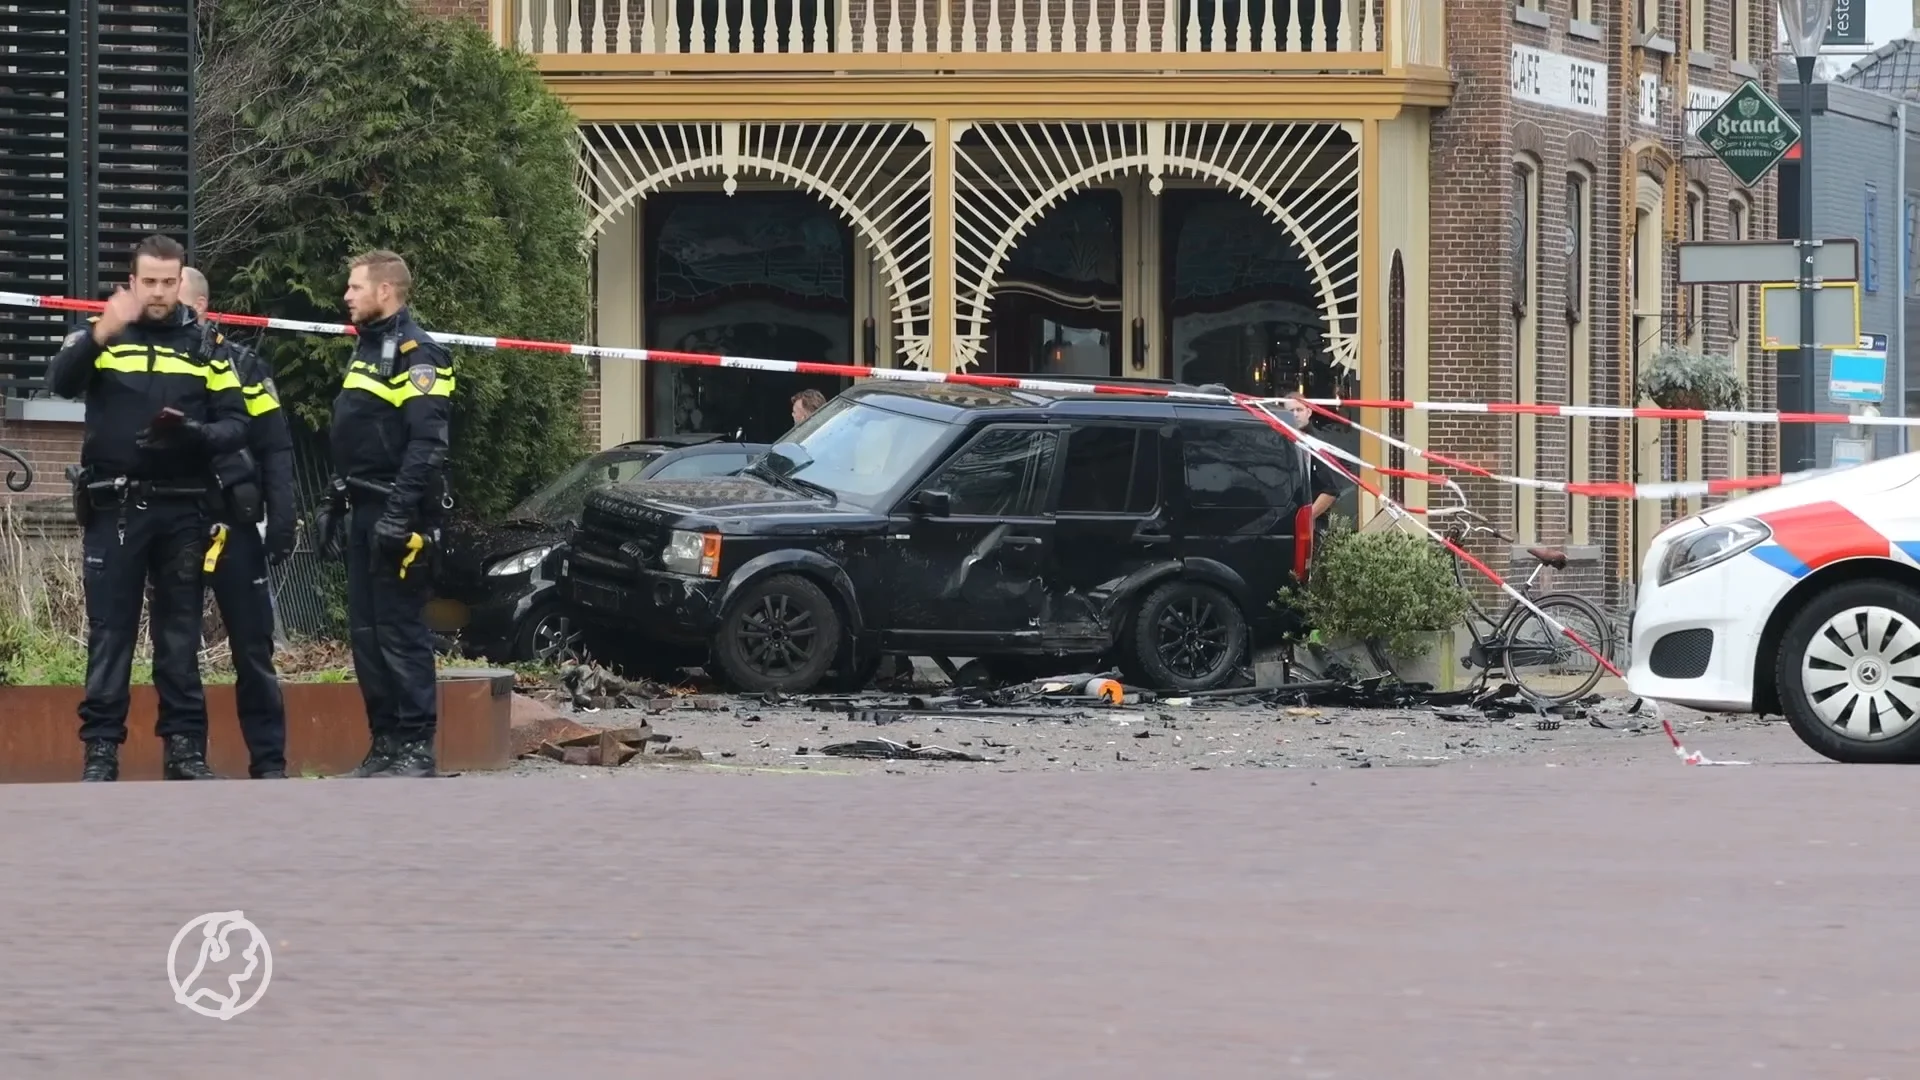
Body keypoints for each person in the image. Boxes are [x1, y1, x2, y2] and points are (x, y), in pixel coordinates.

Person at [48, 235, 252, 782]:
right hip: (115, 507)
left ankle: (185, 752)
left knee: (181, 636)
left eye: (169, 282)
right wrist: (99, 333)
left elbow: (238, 424)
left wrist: (194, 434)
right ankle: (101, 754)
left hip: (183, 509)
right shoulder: (107, 333)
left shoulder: (207, 343)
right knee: (110, 634)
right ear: (132, 282)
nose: (160, 293)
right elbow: (59, 383)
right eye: (150, 282)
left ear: (180, 280)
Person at [313, 250, 455, 778]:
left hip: (402, 514)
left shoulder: (420, 356)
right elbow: (355, 438)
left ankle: (416, 746)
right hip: (363, 506)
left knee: (399, 631)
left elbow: (426, 447)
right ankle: (386, 743)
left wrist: (399, 516)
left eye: (355, 287)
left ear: (385, 291)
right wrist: (333, 498)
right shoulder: (368, 349)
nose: (346, 296)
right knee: (367, 633)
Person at [180, 267, 297, 779]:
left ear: (203, 305)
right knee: (177, 650)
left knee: (253, 650)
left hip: (235, 525)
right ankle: (186, 760)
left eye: (181, 303)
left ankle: (269, 763)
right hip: (176, 524)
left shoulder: (245, 366)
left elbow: (274, 446)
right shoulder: (156, 364)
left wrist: (284, 517)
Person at [1279, 395, 1349, 532]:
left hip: (1311, 526)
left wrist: (1307, 518)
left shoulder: (1318, 444)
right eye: (1291, 411)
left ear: (1309, 412)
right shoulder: (1278, 439)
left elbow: (1331, 490)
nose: (1295, 414)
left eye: (1299, 410)